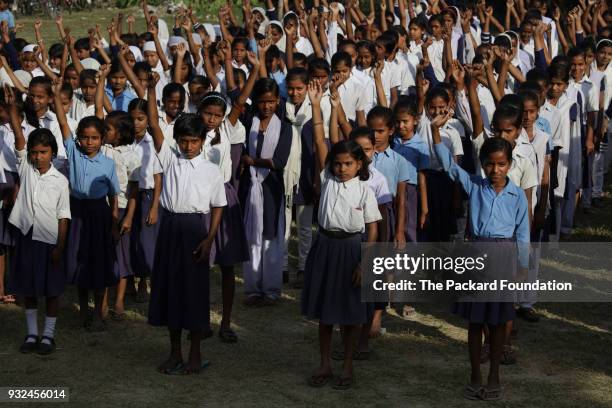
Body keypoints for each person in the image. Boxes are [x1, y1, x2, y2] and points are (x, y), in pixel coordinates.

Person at [431, 108, 529, 401]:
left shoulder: (517, 197)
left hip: (503, 259)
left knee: (498, 323)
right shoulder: (474, 186)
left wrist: (521, 269)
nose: (495, 170)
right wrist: (435, 130)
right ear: (483, 165)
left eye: (501, 165)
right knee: (475, 322)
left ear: (510, 165)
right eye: (490, 164)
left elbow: (523, 234)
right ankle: (475, 373)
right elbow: (448, 165)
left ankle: (495, 374)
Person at [301, 80, 381, 390]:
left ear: (359, 164)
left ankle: (347, 366)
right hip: (325, 246)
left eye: (348, 163)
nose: (341, 168)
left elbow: (373, 228)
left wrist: (365, 262)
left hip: (351, 251)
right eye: (338, 164)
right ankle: (324, 363)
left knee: (349, 314)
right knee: (324, 312)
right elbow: (323, 140)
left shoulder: (364, 190)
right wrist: (319, 104)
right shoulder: (327, 178)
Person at [146, 74, 226, 375]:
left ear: (203, 141)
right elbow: (155, 124)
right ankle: (175, 353)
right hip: (170, 229)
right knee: (169, 290)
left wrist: (210, 238)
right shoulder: (170, 158)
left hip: (195, 231)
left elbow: (218, 206)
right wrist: (152, 88)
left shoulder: (210, 169)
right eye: (183, 140)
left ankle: (195, 354)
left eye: (194, 141)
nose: (188, 145)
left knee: (193, 293)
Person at [5, 84, 70, 354]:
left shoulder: (60, 181)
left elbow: (63, 216)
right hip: (27, 237)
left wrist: (60, 246)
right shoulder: (27, 168)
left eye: (43, 153)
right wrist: (11, 109)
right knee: (29, 289)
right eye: (34, 152)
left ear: (52, 154)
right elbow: (20, 137)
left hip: (49, 242)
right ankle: (32, 334)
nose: (37, 157)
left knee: (51, 290)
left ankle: (48, 335)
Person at [54, 80, 120, 332]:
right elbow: (62, 122)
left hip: (99, 214)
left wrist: (114, 223)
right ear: (78, 139)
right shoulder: (73, 152)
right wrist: (56, 91)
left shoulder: (107, 162)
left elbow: (114, 196)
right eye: (85, 138)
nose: (89, 142)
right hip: (78, 212)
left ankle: (100, 311)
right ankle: (84, 311)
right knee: (81, 261)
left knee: (100, 262)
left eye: (94, 138)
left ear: (102, 138)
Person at [238, 78, 292, 305]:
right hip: (249, 186)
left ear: (277, 101)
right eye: (262, 102)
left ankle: (270, 289)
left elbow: (278, 161)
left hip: (271, 187)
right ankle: (252, 288)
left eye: (271, 102)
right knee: (251, 236)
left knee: (270, 236)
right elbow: (239, 101)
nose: (266, 107)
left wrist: (253, 161)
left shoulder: (285, 125)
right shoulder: (249, 120)